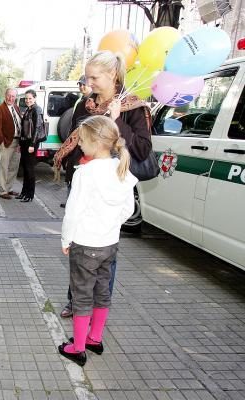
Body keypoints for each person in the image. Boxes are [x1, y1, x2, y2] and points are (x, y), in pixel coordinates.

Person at [55, 50, 153, 318]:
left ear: (112, 75)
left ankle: (97, 310)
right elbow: (74, 139)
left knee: (103, 254)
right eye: (88, 77)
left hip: (109, 191)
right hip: (83, 183)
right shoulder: (83, 105)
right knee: (78, 249)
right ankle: (75, 301)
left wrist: (117, 118)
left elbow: (142, 150)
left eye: (94, 77)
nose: (90, 82)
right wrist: (71, 170)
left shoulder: (134, 107)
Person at [58, 115, 137, 366]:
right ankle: (95, 338)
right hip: (109, 243)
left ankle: (77, 347)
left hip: (85, 243)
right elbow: (127, 209)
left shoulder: (86, 173)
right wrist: (110, 225)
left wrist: (65, 238)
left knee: (81, 295)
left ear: (96, 142)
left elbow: (73, 212)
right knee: (102, 292)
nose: (79, 144)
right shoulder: (121, 168)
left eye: (82, 140)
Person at [60, 76, 93, 209]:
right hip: (76, 145)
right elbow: (74, 125)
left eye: (84, 84)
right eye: (80, 84)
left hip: (88, 149)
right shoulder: (80, 102)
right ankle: (70, 203)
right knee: (71, 176)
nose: (81, 87)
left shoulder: (97, 103)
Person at [0, 88, 22, 200]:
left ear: (16, 97)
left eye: (13, 96)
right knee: (4, 167)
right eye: (9, 95)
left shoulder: (16, 108)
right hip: (6, 143)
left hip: (17, 142)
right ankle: (2, 191)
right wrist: (1, 142)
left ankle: (9, 188)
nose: (11, 98)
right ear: (5, 95)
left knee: (14, 167)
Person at [17, 89, 45, 202]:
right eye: (26, 98)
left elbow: (37, 128)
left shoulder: (37, 110)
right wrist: (21, 143)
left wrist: (32, 144)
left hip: (31, 143)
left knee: (30, 169)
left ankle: (30, 194)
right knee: (25, 168)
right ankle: (24, 192)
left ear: (35, 98)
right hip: (25, 143)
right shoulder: (29, 110)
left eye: (30, 98)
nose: (28, 100)